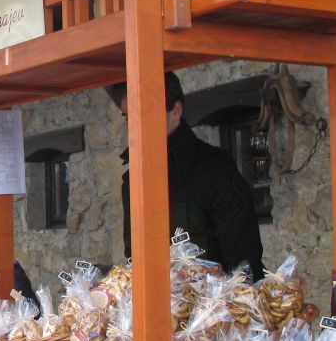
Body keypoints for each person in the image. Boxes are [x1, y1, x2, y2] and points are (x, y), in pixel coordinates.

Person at [109, 72, 265, 280]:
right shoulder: (133, 181)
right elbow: (134, 259)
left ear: (175, 111)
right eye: (129, 118)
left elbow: (245, 265)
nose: (134, 128)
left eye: (144, 114)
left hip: (215, 298)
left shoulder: (215, 169)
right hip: (155, 299)